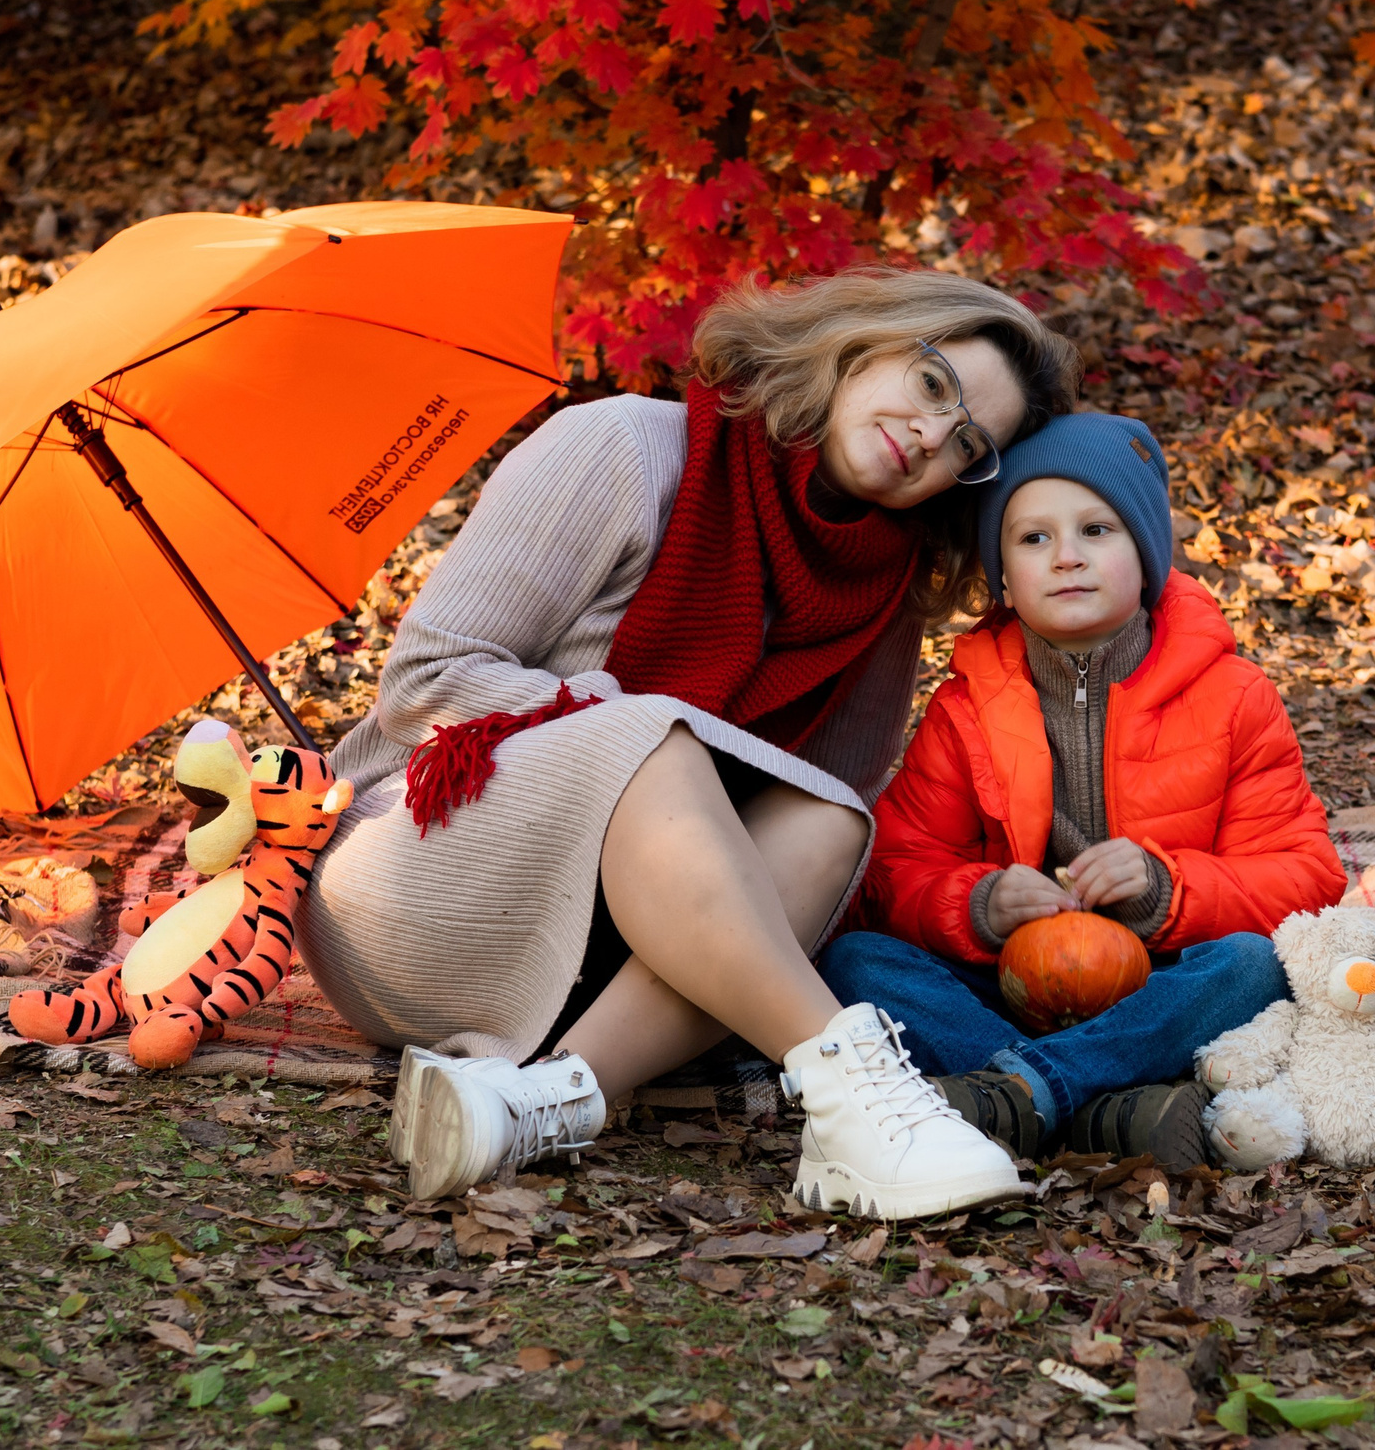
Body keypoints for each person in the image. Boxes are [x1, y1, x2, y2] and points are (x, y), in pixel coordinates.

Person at [299, 268, 1079, 1214]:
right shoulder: (623, 448)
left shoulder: (882, 583)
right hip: (425, 883)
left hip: (635, 954)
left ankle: (541, 1101)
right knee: (653, 734)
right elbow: (426, 682)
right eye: (930, 385)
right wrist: (633, 736)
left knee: (830, 818)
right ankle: (862, 1096)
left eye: (967, 443)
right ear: (867, 340)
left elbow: (820, 797)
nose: (928, 436)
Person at [821, 412, 1343, 1171]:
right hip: (1015, 985)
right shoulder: (967, 708)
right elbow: (895, 867)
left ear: (1146, 552)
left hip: (1168, 987)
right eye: (1033, 538)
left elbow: (1306, 877)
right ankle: (1095, 1103)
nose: (1066, 557)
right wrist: (980, 903)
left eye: (1097, 530)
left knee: (1253, 964)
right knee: (858, 960)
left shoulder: (1233, 697)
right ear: (1001, 571)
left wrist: (1167, 888)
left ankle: (1019, 1092)